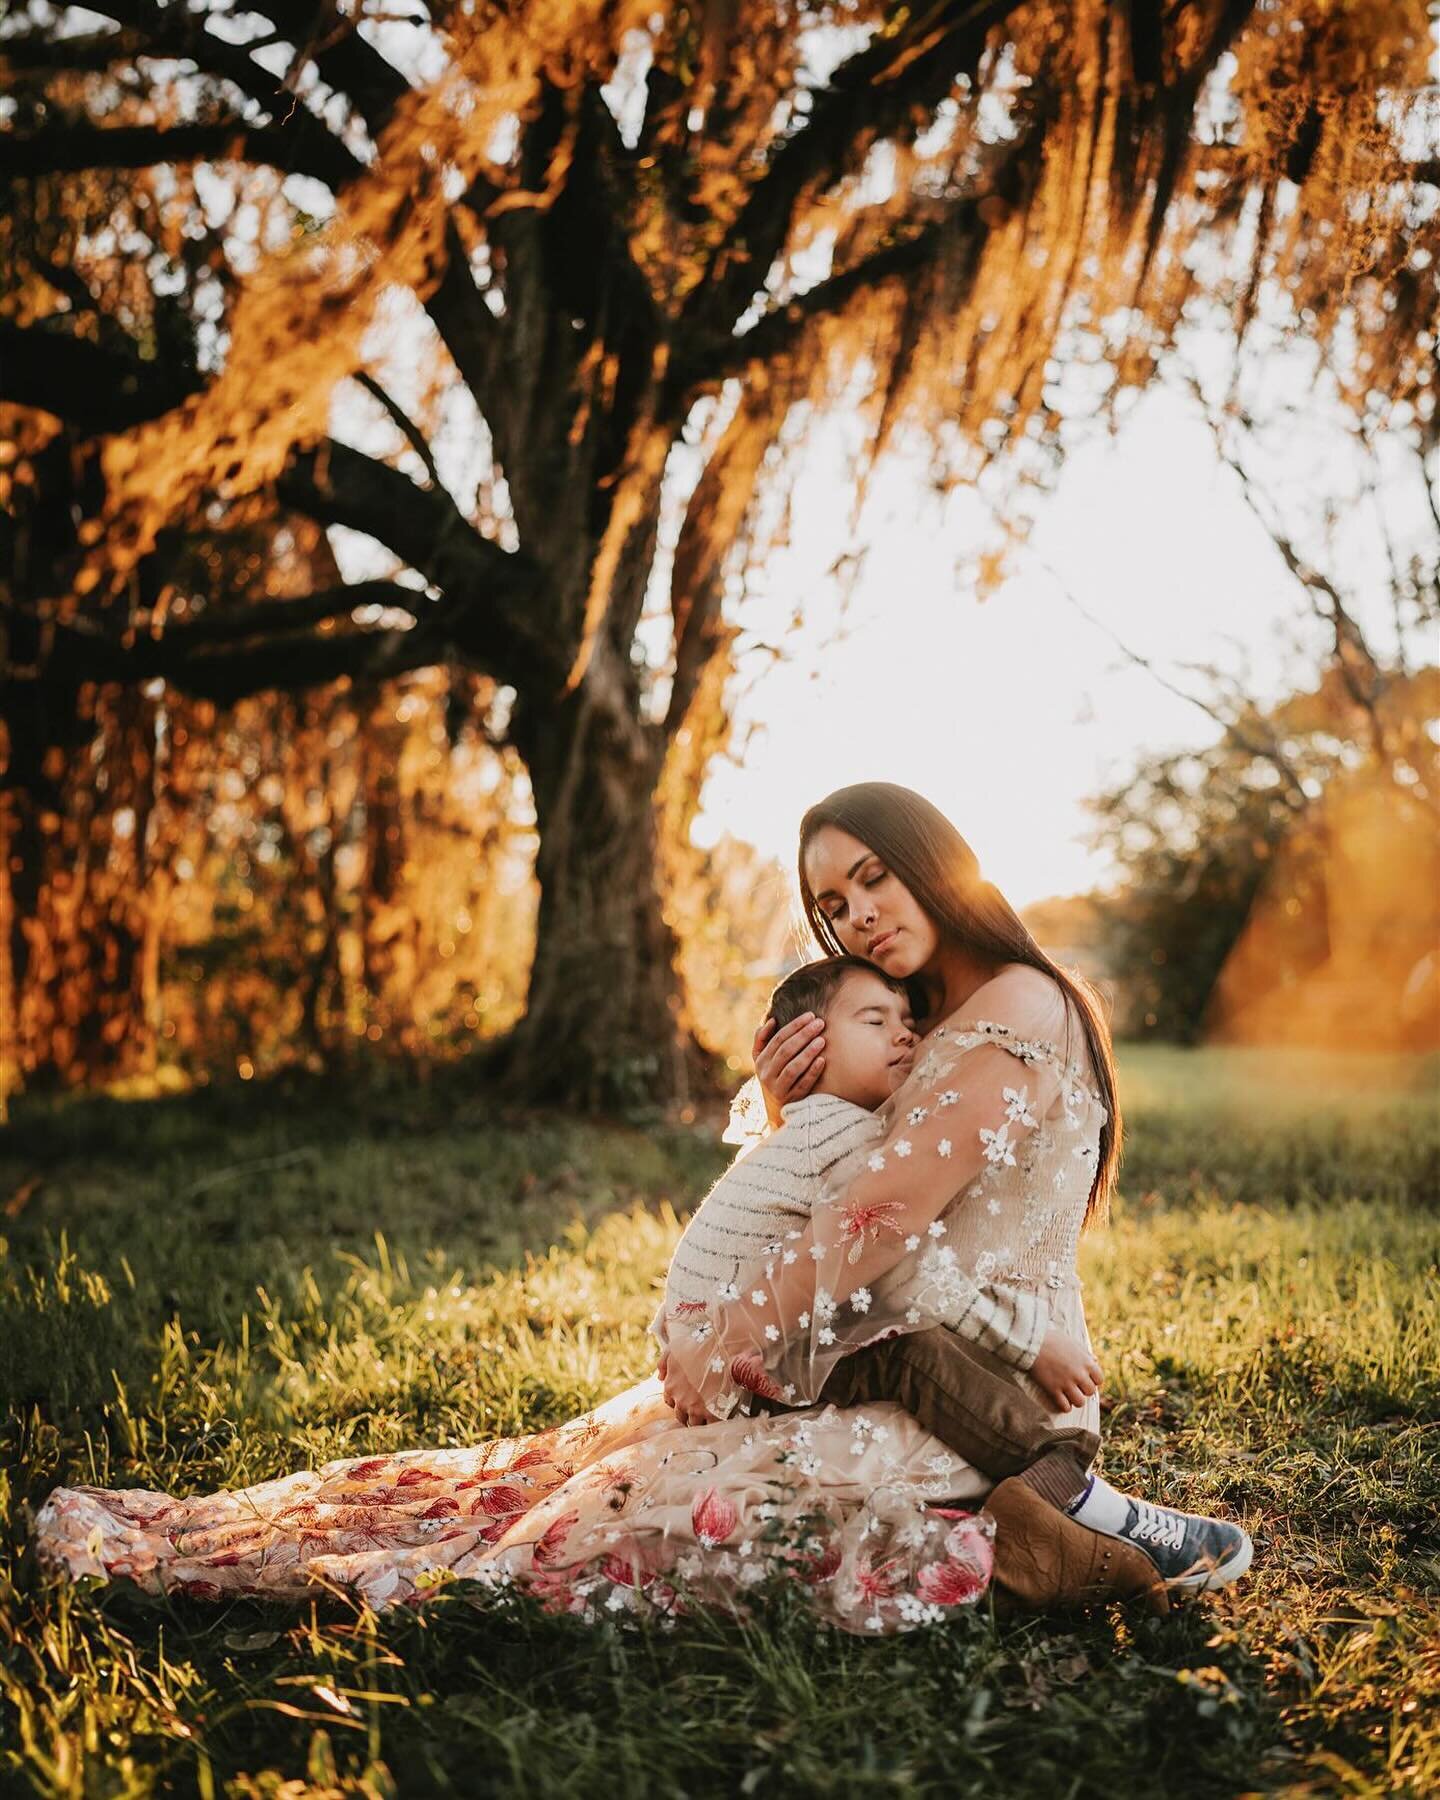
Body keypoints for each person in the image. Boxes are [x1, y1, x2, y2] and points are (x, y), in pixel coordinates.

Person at [659, 782, 1253, 1599]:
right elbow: (827, 1186)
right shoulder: (902, 1021)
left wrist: (729, 1336)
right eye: (834, 903)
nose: (857, 913)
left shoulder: (1020, 1002)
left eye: (875, 878)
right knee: (655, 1482)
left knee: (689, 1516)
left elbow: (883, 1215)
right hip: (875, 1341)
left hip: (993, 1382)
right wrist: (793, 1109)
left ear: (933, 865)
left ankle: (1087, 1530)